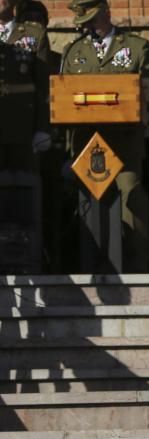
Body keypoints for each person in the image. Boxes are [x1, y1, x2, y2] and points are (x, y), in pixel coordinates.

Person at [62, 0, 149, 273]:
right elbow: (64, 94)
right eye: (84, 23)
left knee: (132, 200)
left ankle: (137, 270)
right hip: (88, 144)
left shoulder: (137, 47)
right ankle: (92, 268)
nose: (88, 27)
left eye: (92, 20)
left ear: (106, 12)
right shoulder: (73, 51)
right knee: (90, 204)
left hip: (125, 142)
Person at [0, 0, 50, 273]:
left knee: (25, 196)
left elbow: (44, 87)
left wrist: (43, 127)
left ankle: (27, 258)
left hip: (23, 128)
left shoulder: (33, 34)